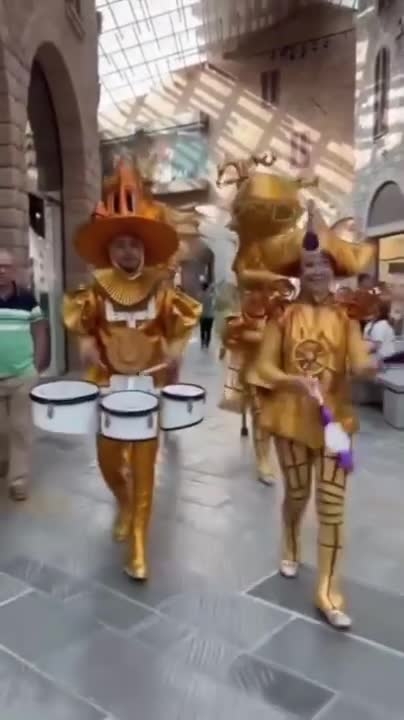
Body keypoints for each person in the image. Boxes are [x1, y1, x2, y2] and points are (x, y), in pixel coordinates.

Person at [63, 161, 201, 581]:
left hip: (149, 389)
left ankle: (139, 545)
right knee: (109, 463)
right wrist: (86, 344)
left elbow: (180, 325)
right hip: (107, 388)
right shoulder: (94, 291)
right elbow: (82, 325)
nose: (127, 252)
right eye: (120, 244)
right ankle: (122, 502)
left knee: (145, 468)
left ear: (144, 249)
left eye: (134, 245)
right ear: (110, 249)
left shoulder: (162, 289)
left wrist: (174, 350)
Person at [247, 202, 377, 629]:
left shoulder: (347, 318)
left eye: (323, 263)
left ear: (334, 268)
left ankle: (328, 591)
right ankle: (290, 542)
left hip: (336, 424)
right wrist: (292, 381)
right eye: (309, 264)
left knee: (332, 506)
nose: (317, 271)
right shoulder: (282, 316)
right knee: (298, 494)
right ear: (299, 271)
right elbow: (262, 368)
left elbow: (359, 362)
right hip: (290, 420)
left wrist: (368, 366)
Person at [0, 247, 49, 500]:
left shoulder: (27, 299)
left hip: (22, 375)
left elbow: (39, 331)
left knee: (20, 428)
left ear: (14, 270)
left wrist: (37, 367)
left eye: (6, 266)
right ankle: (3, 460)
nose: (1, 270)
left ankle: (18, 480)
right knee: (2, 430)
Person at [199, 281, 215, 349]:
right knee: (209, 331)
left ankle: (202, 343)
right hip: (210, 316)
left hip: (202, 316)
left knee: (202, 330)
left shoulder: (200, 296)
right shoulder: (211, 296)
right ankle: (207, 344)